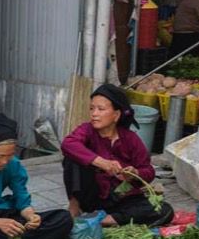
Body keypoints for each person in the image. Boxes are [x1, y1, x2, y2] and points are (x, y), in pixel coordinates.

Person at [61, 84, 174, 228]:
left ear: (116, 115)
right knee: (72, 157)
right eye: (92, 108)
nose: (94, 114)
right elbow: (68, 144)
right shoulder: (87, 130)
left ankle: (105, 220)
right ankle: (74, 210)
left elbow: (148, 171)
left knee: (165, 210)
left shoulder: (130, 138)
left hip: (121, 199)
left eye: (101, 109)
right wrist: (101, 162)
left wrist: (134, 174)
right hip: (91, 197)